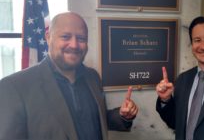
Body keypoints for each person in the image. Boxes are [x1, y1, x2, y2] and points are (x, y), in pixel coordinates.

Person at [0, 12, 138, 140]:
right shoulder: (14, 87)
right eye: (65, 37)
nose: (74, 45)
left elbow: (96, 119)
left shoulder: (93, 77)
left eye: (81, 38)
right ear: (48, 38)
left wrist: (122, 116)